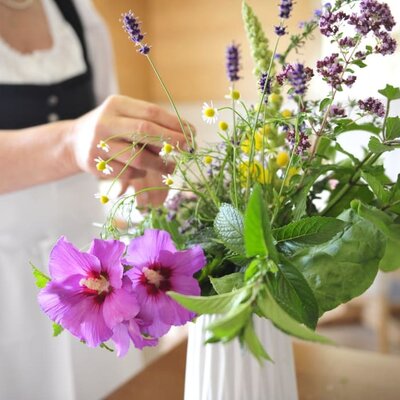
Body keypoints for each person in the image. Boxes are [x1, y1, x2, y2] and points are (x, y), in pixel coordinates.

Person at [0, 0, 185, 399]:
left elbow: (104, 130)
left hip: (96, 278)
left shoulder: (78, 15)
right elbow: (80, 137)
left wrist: (139, 156)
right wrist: (69, 143)